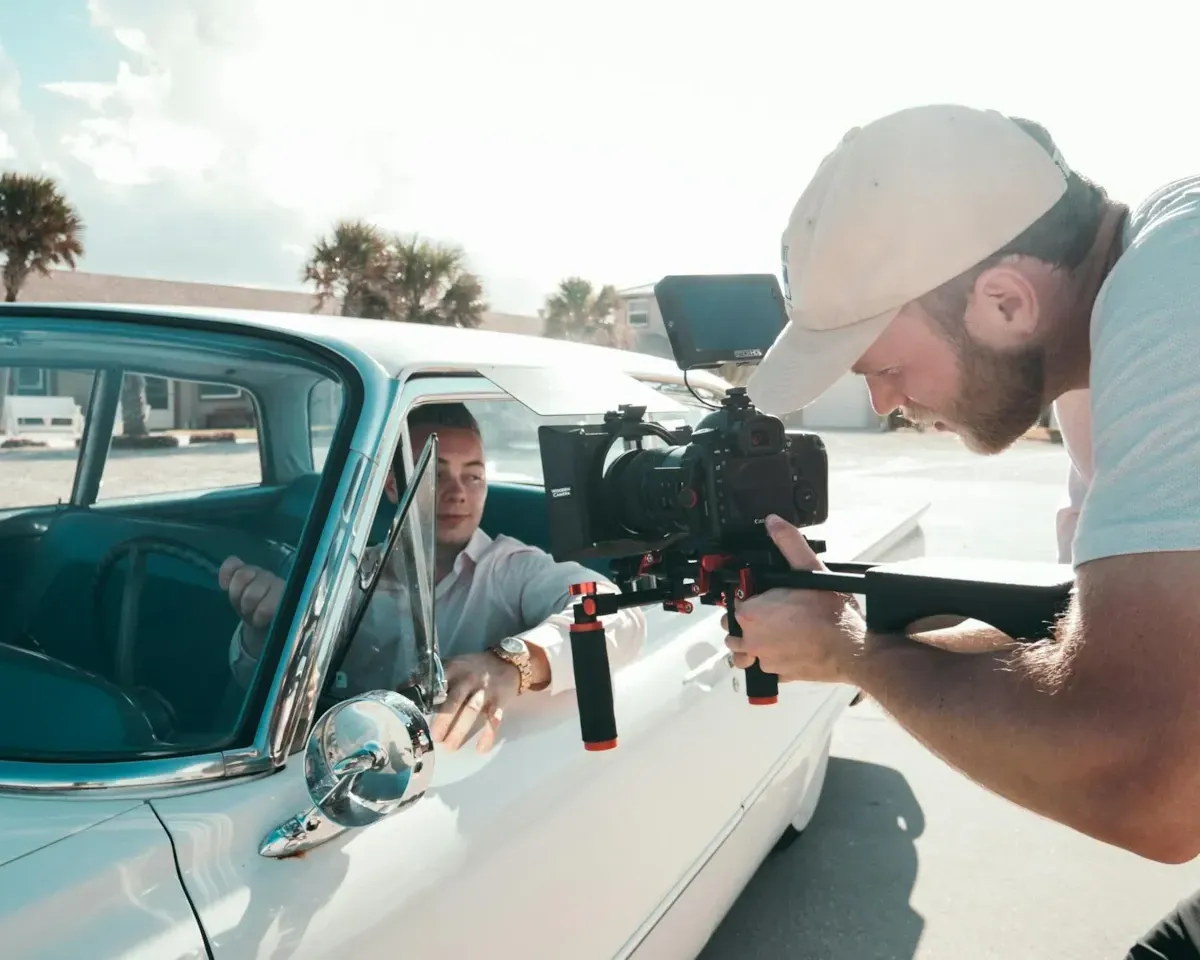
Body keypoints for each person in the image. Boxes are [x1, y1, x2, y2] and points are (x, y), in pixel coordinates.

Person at [731, 103, 1200, 957]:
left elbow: (1151, 781)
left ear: (1006, 300)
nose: (881, 402)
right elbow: (1089, 648)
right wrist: (856, 630)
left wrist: (853, 655)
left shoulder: (1176, 291)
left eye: (885, 365)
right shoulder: (1102, 359)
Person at [219, 401, 645, 754]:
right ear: (391, 486)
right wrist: (267, 630)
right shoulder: (347, 572)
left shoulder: (512, 567)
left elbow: (613, 613)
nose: (458, 492)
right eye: (435, 474)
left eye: (473, 475)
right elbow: (252, 684)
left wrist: (511, 664)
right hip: (341, 762)